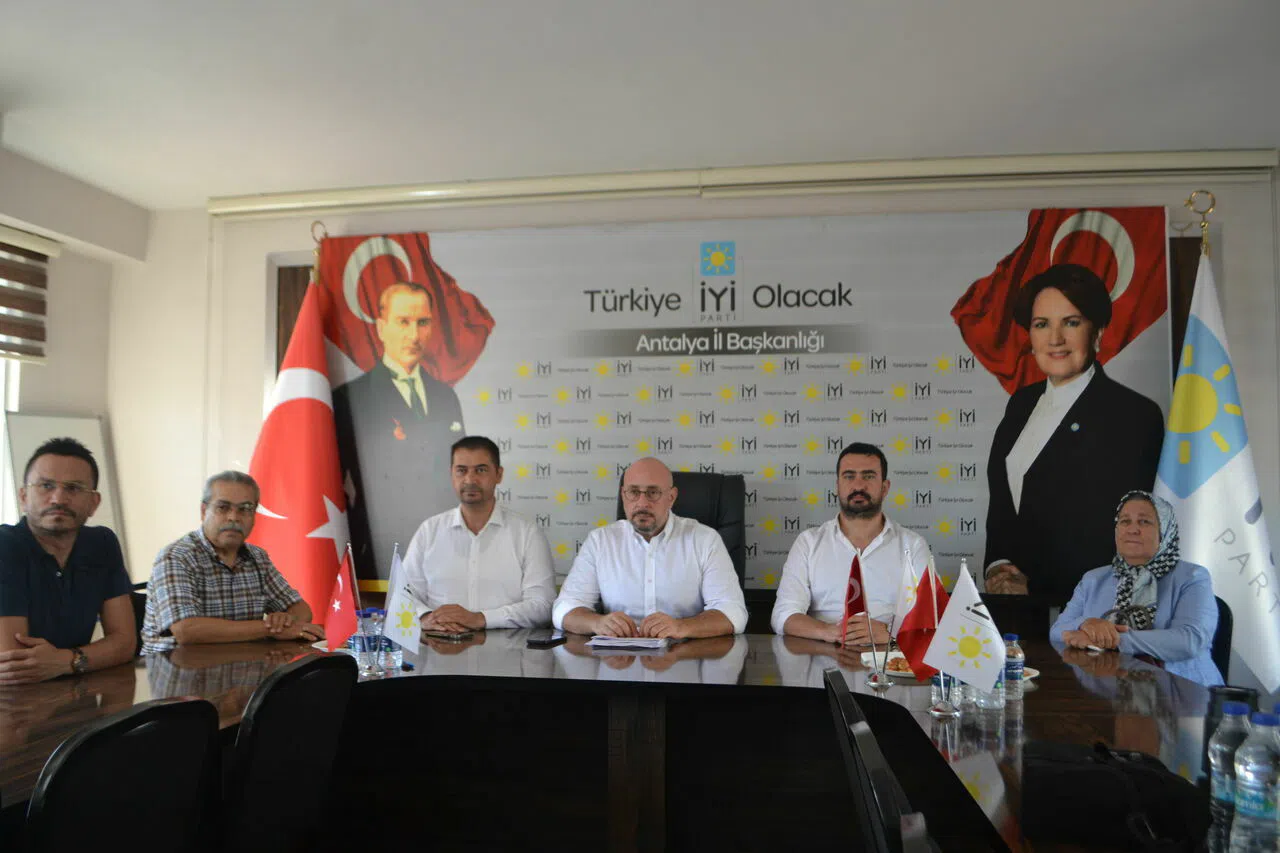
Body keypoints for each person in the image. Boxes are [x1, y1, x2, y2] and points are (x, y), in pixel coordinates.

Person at [984, 263, 1164, 604]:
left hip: (1091, 613)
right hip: (1018, 610)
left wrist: (1036, 589)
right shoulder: (1021, 404)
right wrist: (998, 566)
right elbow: (1003, 505)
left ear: (1097, 332)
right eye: (1042, 324)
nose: (1055, 339)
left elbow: (1127, 534)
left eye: (1071, 322)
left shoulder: (1134, 415)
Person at [333, 281, 466, 581]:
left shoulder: (445, 396)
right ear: (381, 328)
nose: (414, 335)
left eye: (422, 322)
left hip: (443, 551)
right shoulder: (351, 398)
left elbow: (456, 475)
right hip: (382, 554)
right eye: (403, 322)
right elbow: (335, 487)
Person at [552, 457, 747, 638]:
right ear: (623, 495)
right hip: (618, 658)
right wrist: (597, 623)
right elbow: (564, 608)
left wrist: (681, 627)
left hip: (683, 655)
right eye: (633, 492)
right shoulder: (600, 541)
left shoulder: (704, 540)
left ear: (671, 497)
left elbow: (733, 612)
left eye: (653, 493)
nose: (642, 503)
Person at [1050, 491, 1222, 686]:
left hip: (1182, 690)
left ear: (1165, 531)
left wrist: (1113, 640)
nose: (1132, 529)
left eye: (1144, 522)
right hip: (1108, 690)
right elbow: (1057, 631)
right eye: (1125, 521)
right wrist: (1086, 624)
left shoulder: (1192, 577)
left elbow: (1189, 641)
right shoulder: (1094, 579)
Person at [0, 438, 136, 683]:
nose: (58, 499)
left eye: (73, 488)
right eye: (46, 485)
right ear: (23, 496)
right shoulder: (5, 546)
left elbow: (125, 643)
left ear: (94, 503)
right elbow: (14, 665)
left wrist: (67, 661)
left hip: (74, 690)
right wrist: (87, 658)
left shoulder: (102, 543)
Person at [141, 471, 323, 653]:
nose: (234, 517)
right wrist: (272, 629)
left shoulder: (257, 557)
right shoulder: (176, 557)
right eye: (223, 507)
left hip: (242, 662)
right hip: (175, 664)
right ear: (204, 511)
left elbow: (300, 609)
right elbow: (186, 630)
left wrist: (285, 621)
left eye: (245, 509)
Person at [771, 442, 932, 646]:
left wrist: (890, 633)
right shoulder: (809, 543)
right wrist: (831, 632)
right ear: (837, 486)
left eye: (868, 476)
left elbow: (933, 616)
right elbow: (784, 615)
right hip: (825, 653)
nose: (858, 486)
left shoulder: (913, 545)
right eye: (849, 476)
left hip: (890, 655)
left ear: (884, 488)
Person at [403, 435, 555, 632]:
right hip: (439, 644)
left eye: (481, 470)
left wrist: (481, 619)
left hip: (508, 648)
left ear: (499, 475)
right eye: (461, 470)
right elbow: (403, 595)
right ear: (452, 474)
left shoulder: (527, 533)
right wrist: (425, 617)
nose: (470, 480)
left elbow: (542, 606)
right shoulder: (429, 531)